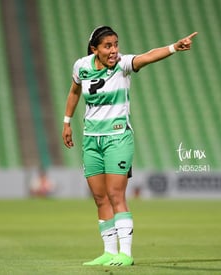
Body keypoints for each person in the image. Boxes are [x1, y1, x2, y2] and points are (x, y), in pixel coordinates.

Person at [62, 26, 198, 266]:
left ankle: (125, 253)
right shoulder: (80, 66)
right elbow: (74, 92)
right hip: (91, 139)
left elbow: (147, 56)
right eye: (108, 46)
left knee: (115, 194)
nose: (114, 50)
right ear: (95, 49)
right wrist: (67, 122)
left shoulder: (123, 65)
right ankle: (109, 252)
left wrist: (174, 47)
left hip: (118, 138)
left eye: (116, 44)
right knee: (99, 197)